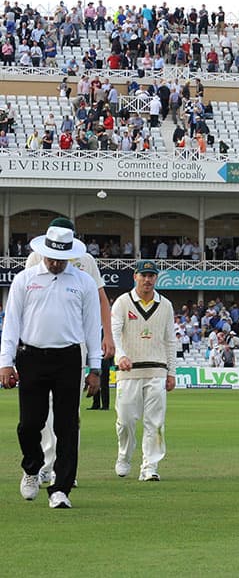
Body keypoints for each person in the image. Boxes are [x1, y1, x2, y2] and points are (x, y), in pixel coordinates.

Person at [1, 223, 102, 509]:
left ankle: (61, 488)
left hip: (69, 358)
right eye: (52, 258)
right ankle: (32, 468)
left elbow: (93, 327)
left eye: (61, 259)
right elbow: (12, 324)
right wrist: (5, 363)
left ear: (71, 255)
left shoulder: (82, 282)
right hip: (31, 357)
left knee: (67, 426)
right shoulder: (24, 279)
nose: (56, 263)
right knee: (29, 424)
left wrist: (94, 368)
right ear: (44, 253)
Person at [25, 218, 114, 483]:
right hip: (41, 344)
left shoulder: (85, 260)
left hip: (75, 345)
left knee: (68, 410)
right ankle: (46, 464)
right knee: (43, 411)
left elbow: (100, 299)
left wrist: (107, 335)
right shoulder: (36, 258)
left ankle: (64, 467)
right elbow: (30, 298)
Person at [111, 260, 177, 481]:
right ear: (135, 277)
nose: (147, 279)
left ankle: (150, 466)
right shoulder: (122, 302)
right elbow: (114, 333)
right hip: (129, 371)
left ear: (156, 278)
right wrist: (120, 356)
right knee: (126, 420)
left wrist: (171, 372)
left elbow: (170, 340)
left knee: (155, 422)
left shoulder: (165, 304)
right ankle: (124, 456)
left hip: (157, 370)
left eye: (151, 275)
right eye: (143, 275)